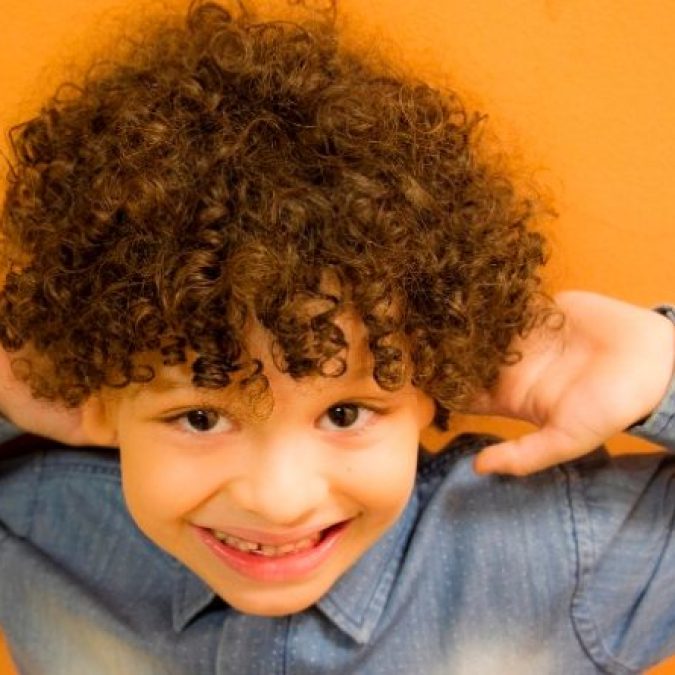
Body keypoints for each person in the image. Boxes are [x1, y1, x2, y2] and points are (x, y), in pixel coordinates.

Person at [0, 1, 673, 673]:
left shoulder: (565, 559)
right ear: (102, 391)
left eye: (345, 413)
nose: (279, 499)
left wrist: (656, 371)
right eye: (201, 417)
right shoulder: (35, 526)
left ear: (432, 384)